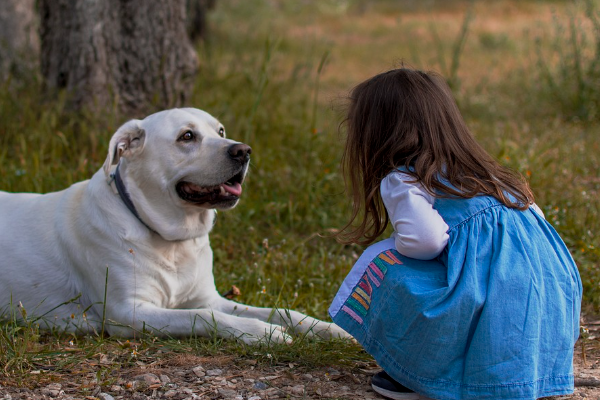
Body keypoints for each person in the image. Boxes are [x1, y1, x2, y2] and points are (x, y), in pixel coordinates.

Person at [328, 68, 582, 400]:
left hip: (491, 303)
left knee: (384, 262)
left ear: (377, 134)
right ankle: (525, 373)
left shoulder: (404, 179)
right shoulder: (490, 174)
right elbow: (536, 225)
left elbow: (426, 240)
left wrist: (399, 246)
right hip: (550, 297)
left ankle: (420, 373)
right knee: (488, 280)